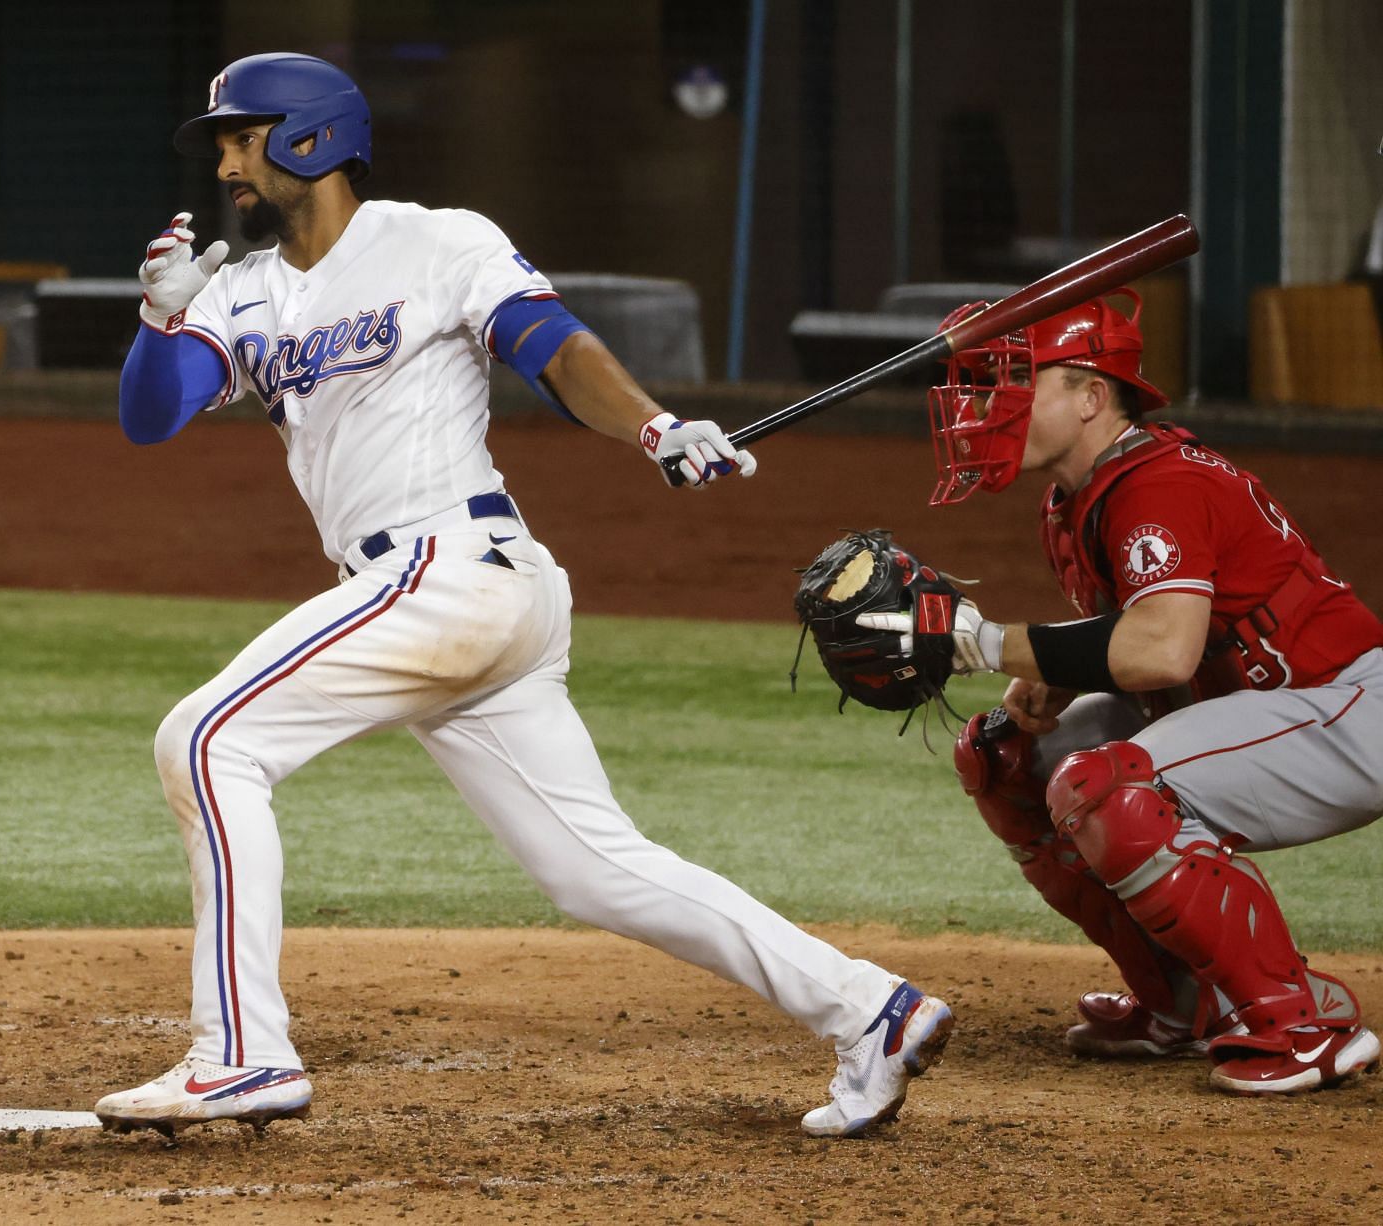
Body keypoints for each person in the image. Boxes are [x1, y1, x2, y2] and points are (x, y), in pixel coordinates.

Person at [92, 51, 952, 1140]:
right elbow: (151, 416)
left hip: (449, 573)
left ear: (308, 136)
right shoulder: (246, 288)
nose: (224, 159)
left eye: (241, 135)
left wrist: (653, 426)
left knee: (206, 739)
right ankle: (870, 1007)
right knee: (600, 873)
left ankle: (242, 1053)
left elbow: (551, 345)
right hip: (449, 601)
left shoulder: (439, 238)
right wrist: (161, 319)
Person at [863, 288, 1383, 1095]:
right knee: (1005, 751)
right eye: (979, 384)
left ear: (1091, 398)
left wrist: (987, 641)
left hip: (1349, 707)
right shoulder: (1076, 499)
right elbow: (1132, 643)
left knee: (1111, 788)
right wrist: (1051, 680)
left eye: (1008, 382)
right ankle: (1179, 999)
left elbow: (1164, 649)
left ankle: (1304, 1025)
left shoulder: (1160, 484)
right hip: (1258, 707)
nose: (980, 407)